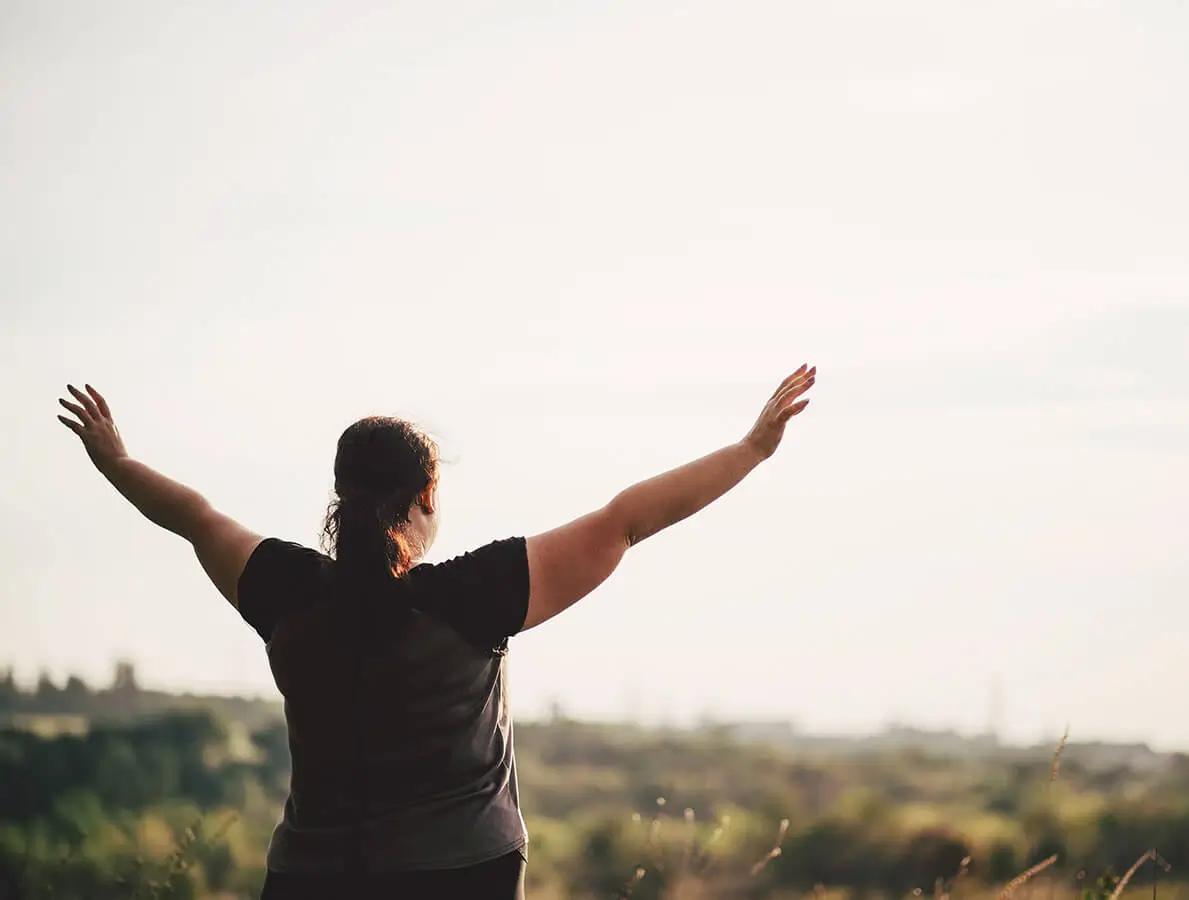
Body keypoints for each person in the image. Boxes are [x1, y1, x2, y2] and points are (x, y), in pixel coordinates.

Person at [56, 365, 816, 899]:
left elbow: (195, 518)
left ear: (341, 496)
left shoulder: (282, 592)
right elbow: (627, 520)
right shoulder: (477, 595)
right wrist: (750, 449)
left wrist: (115, 460)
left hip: (311, 878)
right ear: (426, 494)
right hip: (462, 878)